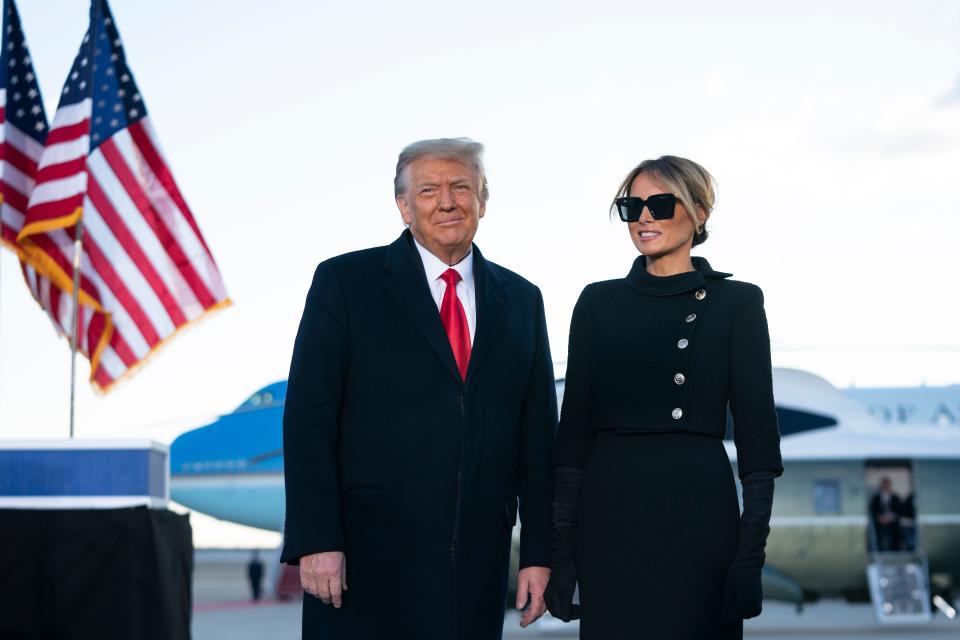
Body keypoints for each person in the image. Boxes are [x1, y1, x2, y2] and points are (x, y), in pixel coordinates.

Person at [280, 138, 557, 640]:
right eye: (428, 189)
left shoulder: (522, 300)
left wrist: (538, 553)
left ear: (483, 201)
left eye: (461, 187)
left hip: (475, 564)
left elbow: (537, 440)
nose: (446, 201)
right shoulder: (345, 282)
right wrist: (316, 539)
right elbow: (308, 420)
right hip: (364, 561)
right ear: (403, 206)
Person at [544, 156, 783, 639]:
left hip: (697, 513)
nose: (644, 217)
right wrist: (562, 553)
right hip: (610, 513)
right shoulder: (598, 302)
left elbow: (759, 444)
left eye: (659, 203)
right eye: (632, 206)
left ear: (698, 211)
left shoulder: (736, 304)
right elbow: (572, 439)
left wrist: (749, 558)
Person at [869, 477, 902, 551]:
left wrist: (891, 518)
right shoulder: (876, 498)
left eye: (887, 485)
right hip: (879, 522)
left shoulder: (895, 497)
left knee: (897, 530)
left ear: (890, 485)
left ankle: (895, 550)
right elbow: (872, 511)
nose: (885, 487)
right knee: (876, 531)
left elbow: (899, 511)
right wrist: (880, 518)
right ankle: (879, 550)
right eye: (884, 485)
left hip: (893, 522)